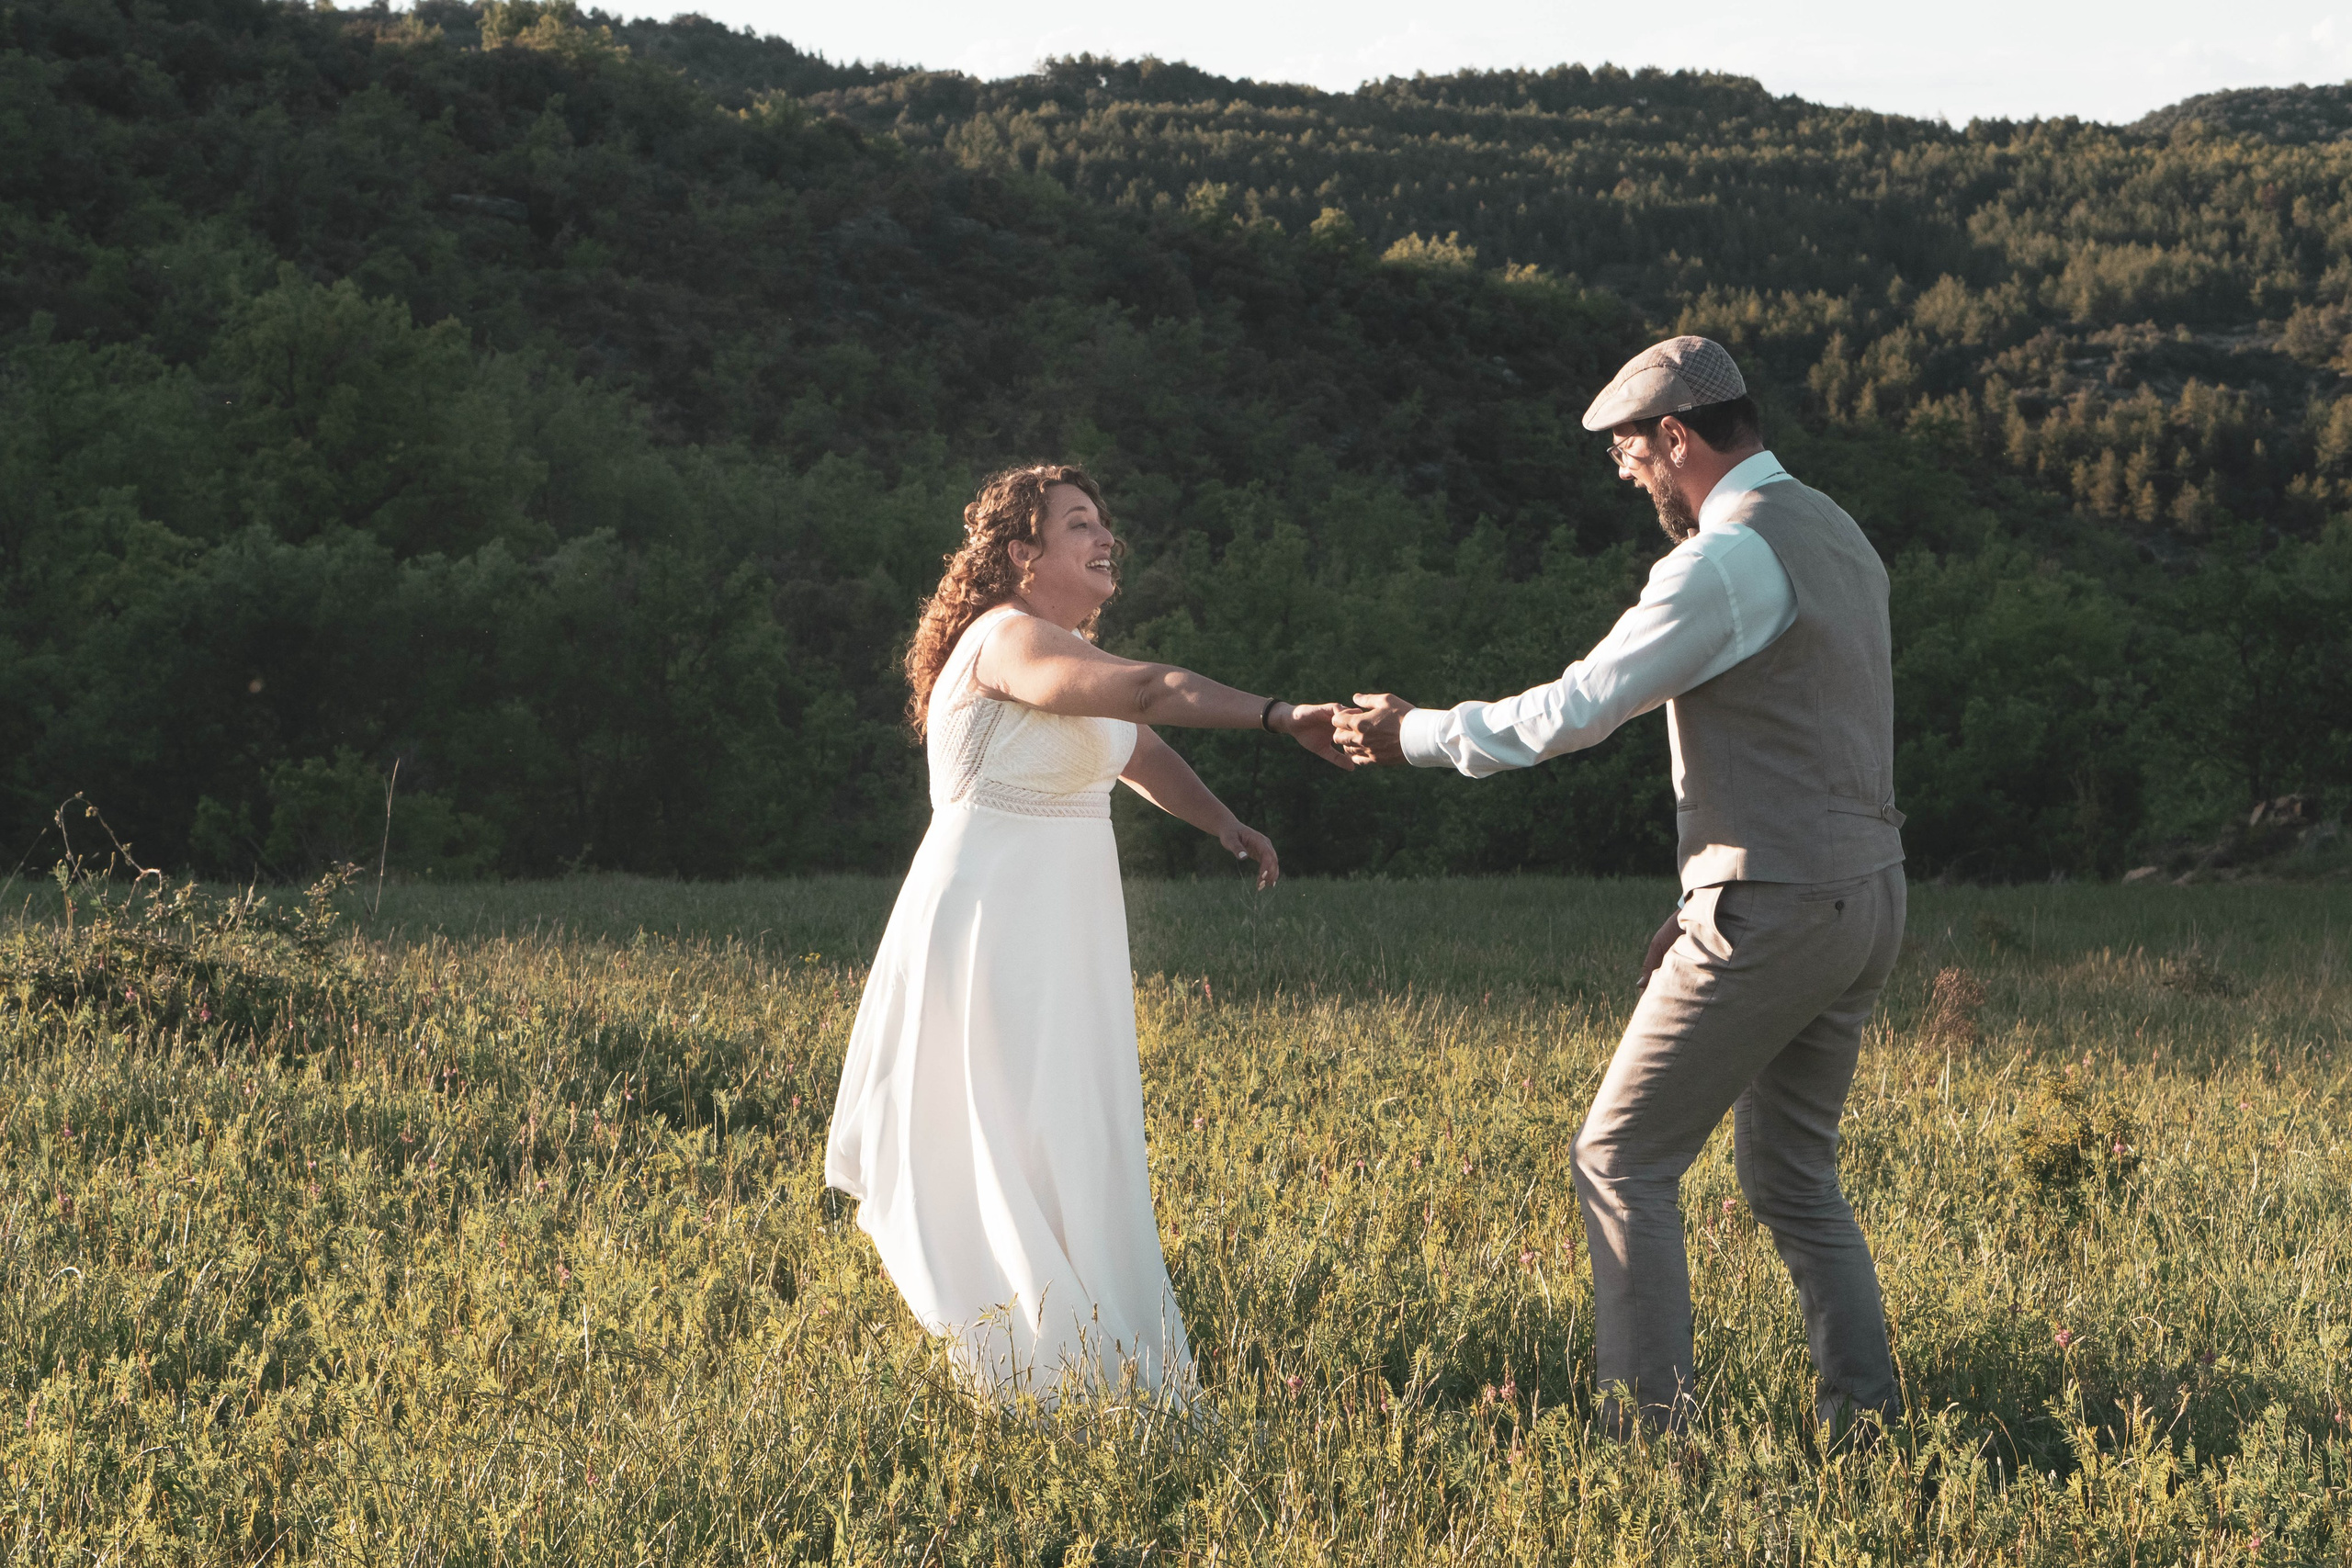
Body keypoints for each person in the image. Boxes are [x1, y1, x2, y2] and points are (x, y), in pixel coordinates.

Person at [1335, 336, 1907, 1439]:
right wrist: (1708, 888)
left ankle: (1647, 1445)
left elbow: (1575, 710)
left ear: (1677, 438)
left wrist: (1412, 734)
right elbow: (1813, 736)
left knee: (1619, 1156)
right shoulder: (1835, 529)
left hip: (1780, 903)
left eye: (1629, 452)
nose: (1627, 474)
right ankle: (1866, 1426)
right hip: (1863, 892)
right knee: (1794, 1181)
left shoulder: (1723, 559)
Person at [825, 462, 1348, 1404]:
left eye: (1103, 523)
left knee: (1072, 1128)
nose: (1105, 538)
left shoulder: (1067, 654)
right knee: (1005, 1129)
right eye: (1079, 526)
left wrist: (1220, 821)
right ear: (1024, 554)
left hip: (1067, 925)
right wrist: (1279, 716)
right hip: (994, 916)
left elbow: (1141, 748)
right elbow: (1150, 692)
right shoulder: (1003, 638)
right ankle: (1023, 1356)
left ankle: (1094, 1353)